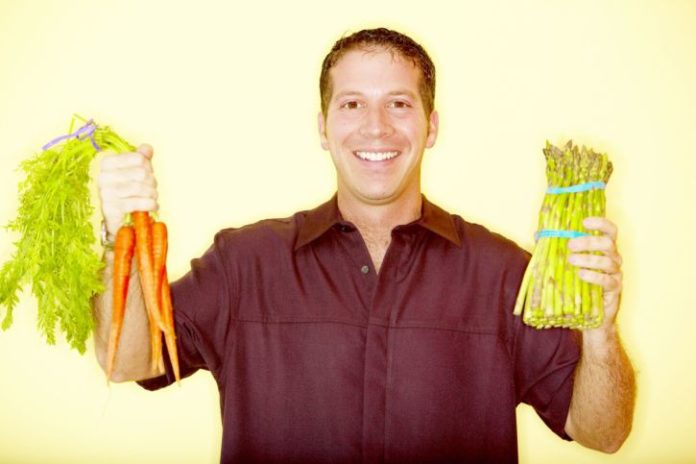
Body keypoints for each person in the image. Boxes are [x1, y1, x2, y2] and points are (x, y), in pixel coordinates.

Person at [93, 28, 635, 463]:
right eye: (351, 105)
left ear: (431, 126)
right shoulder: (245, 264)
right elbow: (129, 362)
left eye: (399, 104)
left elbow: (601, 433)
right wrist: (120, 238)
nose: (376, 128)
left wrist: (601, 330)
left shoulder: (505, 274)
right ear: (324, 127)